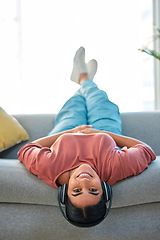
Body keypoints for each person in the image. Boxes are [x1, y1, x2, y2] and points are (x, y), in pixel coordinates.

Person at [18, 46, 156, 227]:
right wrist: (101, 133)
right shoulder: (116, 169)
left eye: (76, 190)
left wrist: (70, 132)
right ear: (104, 189)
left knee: (73, 107)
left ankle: (83, 80)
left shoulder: (50, 168)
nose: (84, 180)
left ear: (65, 192)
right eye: (93, 189)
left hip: (66, 134)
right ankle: (85, 79)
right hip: (104, 132)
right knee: (102, 102)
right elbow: (146, 151)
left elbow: (26, 150)